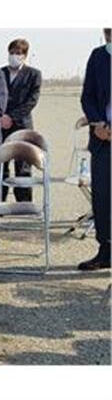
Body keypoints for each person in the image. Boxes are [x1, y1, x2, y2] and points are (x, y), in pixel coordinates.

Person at [77, 28, 111, 271]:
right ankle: (106, 252)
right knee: (103, 197)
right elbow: (87, 96)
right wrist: (98, 124)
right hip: (102, 139)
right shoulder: (98, 56)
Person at [0, 38, 42, 202]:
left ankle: (24, 201)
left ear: (25, 55)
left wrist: (12, 117)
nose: (14, 56)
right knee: (1, 163)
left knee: (23, 165)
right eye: (12, 52)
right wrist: (2, 116)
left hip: (22, 125)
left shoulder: (34, 74)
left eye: (18, 53)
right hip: (1, 124)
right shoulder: (0, 73)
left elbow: (32, 100)